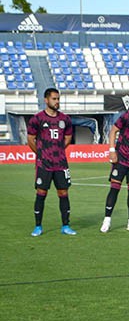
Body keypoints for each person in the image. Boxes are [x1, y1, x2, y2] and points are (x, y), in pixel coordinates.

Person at [27, 88, 76, 236]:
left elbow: (68, 137)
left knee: (63, 192)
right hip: (44, 164)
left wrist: (59, 150)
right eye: (54, 99)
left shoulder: (65, 119)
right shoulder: (37, 119)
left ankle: (65, 226)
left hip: (61, 163)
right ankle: (38, 226)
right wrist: (41, 153)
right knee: (41, 192)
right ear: (46, 100)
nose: (57, 102)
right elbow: (30, 139)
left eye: (58, 99)